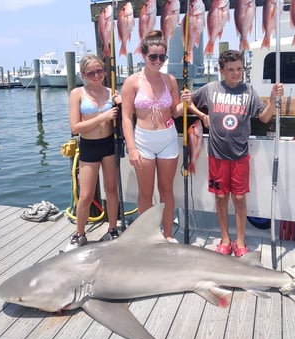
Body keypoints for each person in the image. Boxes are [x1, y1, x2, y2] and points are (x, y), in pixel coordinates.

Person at [189, 49, 284, 256]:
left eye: (239, 69)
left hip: (240, 156)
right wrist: (199, 114)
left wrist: (272, 99)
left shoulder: (248, 91)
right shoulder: (210, 88)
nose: (236, 73)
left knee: (240, 198)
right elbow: (188, 103)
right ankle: (225, 239)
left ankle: (240, 241)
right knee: (221, 197)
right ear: (221, 70)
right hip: (216, 155)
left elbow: (265, 118)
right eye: (231, 69)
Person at [121, 30, 191, 242]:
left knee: (167, 190)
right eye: (153, 56)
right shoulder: (132, 82)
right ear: (144, 56)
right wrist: (132, 148)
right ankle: (147, 237)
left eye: (162, 57)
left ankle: (168, 234)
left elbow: (175, 111)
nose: (158, 61)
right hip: (143, 140)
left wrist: (185, 102)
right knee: (145, 192)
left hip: (167, 138)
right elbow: (126, 118)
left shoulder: (170, 80)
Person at [68, 54, 121, 248]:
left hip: (108, 144)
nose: (96, 75)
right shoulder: (77, 94)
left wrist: (121, 102)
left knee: (112, 189)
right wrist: (102, 117)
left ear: (105, 72)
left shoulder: (112, 91)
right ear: (83, 75)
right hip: (89, 147)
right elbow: (75, 127)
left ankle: (113, 229)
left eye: (99, 71)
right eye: (91, 72)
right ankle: (79, 234)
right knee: (86, 194)